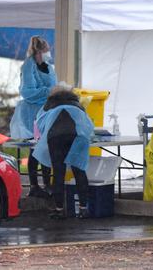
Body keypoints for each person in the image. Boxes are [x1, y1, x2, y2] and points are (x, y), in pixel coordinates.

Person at [32, 84, 94, 219]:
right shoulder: (77, 105)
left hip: (56, 137)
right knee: (79, 171)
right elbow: (89, 124)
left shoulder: (49, 104)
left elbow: (39, 123)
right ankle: (84, 209)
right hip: (77, 136)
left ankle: (59, 210)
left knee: (59, 173)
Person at [10, 36, 57, 198]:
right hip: (32, 114)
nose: (47, 54)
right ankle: (34, 186)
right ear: (38, 52)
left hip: (47, 111)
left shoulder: (48, 67)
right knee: (35, 148)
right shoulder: (28, 66)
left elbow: (54, 85)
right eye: (45, 51)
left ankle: (47, 184)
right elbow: (27, 91)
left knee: (46, 148)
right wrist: (47, 92)